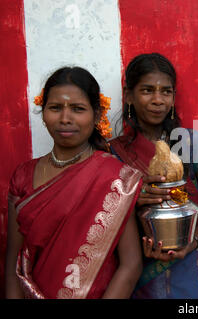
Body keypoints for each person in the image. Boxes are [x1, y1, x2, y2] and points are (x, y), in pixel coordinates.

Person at [4, 67, 143, 299]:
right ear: (43, 111)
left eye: (78, 109)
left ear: (97, 115)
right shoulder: (23, 176)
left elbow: (131, 265)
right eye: (55, 108)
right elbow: (12, 267)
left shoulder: (115, 177)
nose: (65, 118)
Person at [109, 53, 198, 299]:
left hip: (191, 272)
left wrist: (192, 243)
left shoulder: (188, 143)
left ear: (173, 97)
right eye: (147, 90)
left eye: (166, 92)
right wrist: (133, 197)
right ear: (128, 96)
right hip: (140, 274)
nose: (158, 100)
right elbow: (103, 218)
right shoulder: (112, 153)